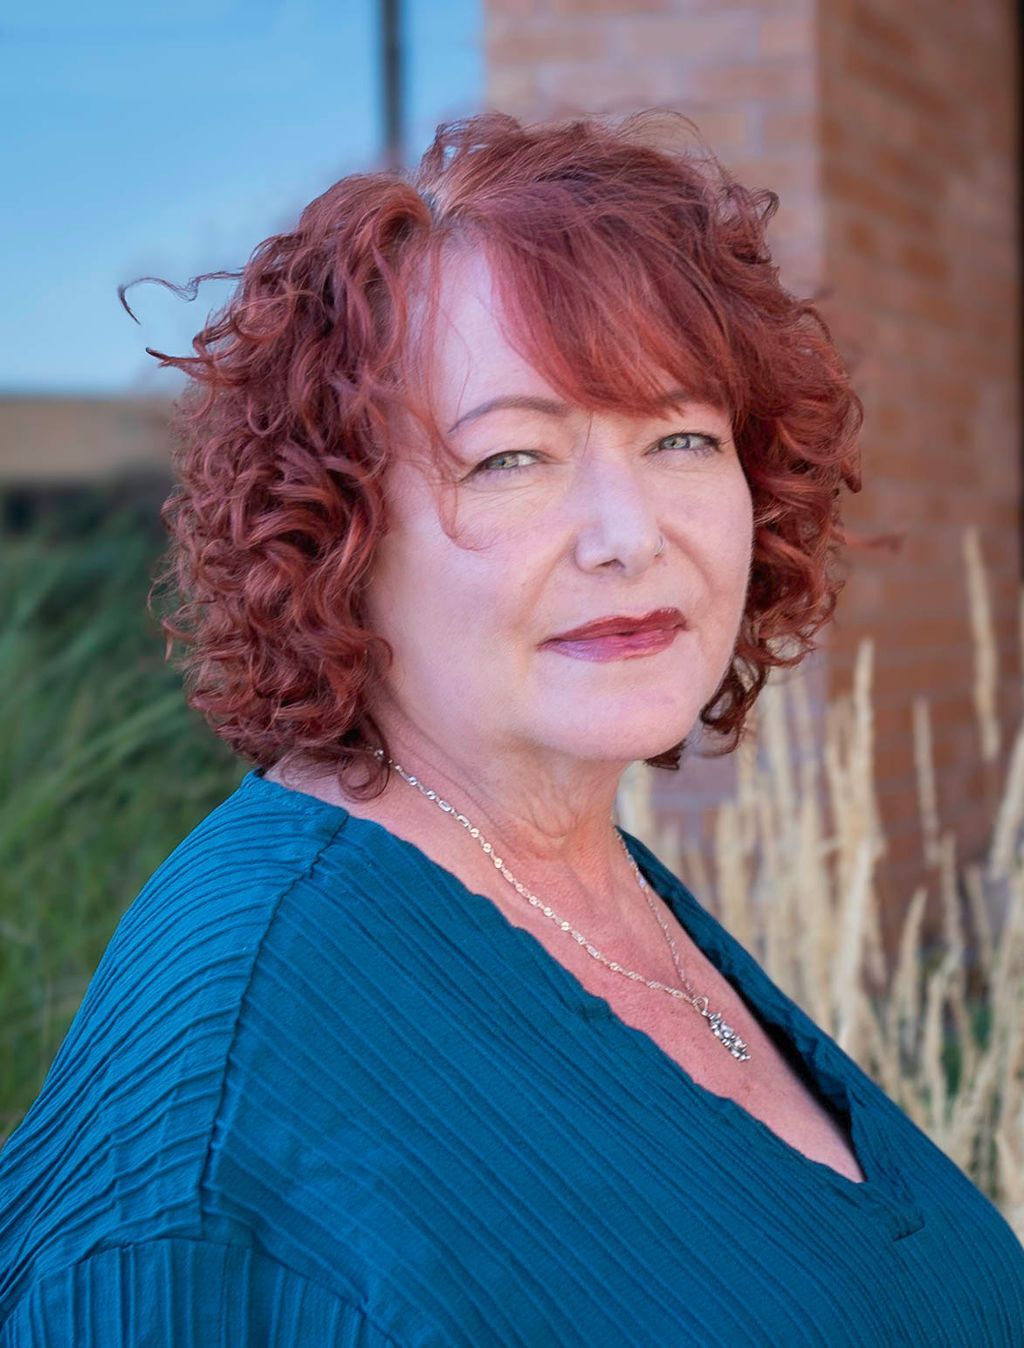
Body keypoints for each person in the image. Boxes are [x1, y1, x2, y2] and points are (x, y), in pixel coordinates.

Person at [1, 108, 1022, 1347]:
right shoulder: (230, 1071)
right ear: (337, 531)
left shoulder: (578, 873)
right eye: (511, 458)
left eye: (682, 437)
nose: (627, 534)